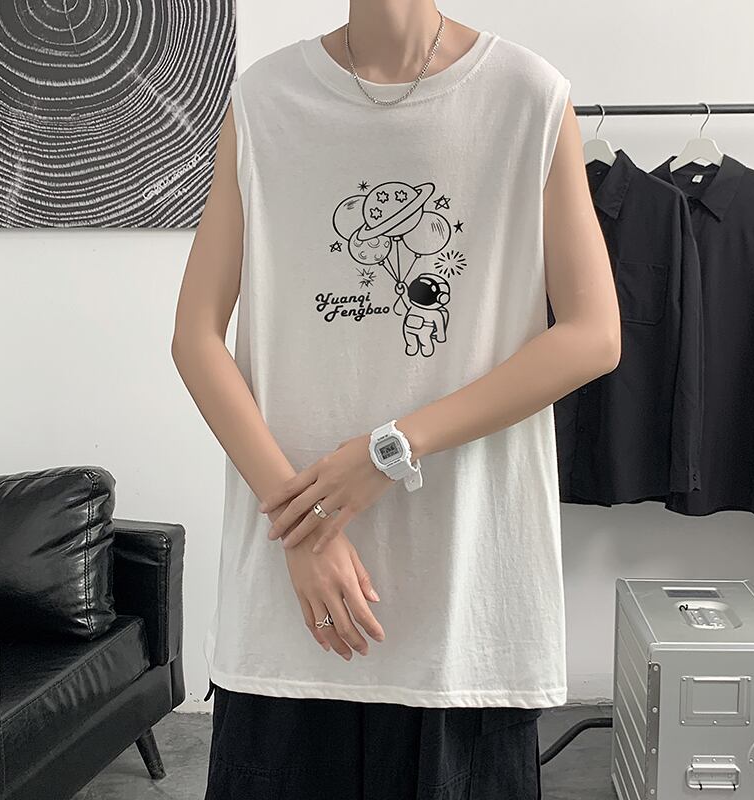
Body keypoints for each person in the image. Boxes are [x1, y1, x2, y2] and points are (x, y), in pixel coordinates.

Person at [171, 2, 620, 798]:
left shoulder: (528, 96)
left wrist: (392, 448)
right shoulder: (265, 101)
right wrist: (304, 526)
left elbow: (593, 336)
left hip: (465, 611)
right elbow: (195, 339)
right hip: (292, 615)